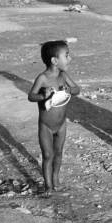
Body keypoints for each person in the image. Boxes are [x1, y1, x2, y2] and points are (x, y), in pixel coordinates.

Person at [28, 40, 80, 196]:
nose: (70, 58)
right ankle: (48, 187)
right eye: (67, 55)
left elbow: (77, 89)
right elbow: (31, 96)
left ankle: (56, 181)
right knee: (48, 155)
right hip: (46, 125)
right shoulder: (43, 78)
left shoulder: (63, 76)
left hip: (61, 124)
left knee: (59, 153)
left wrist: (69, 90)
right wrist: (43, 95)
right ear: (54, 61)